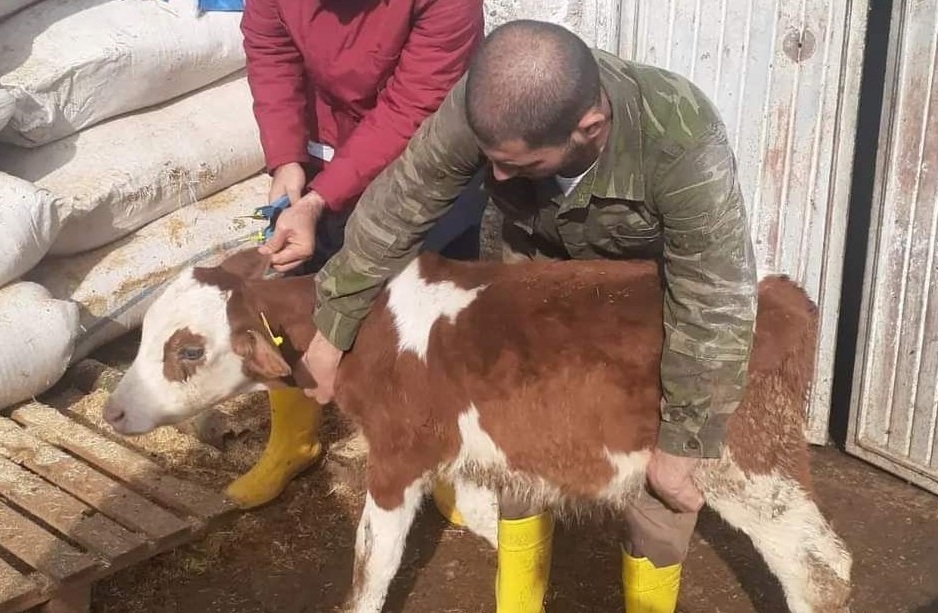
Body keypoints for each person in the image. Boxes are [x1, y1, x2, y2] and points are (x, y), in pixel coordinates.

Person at [298, 19, 758, 613]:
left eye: (520, 165)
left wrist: (686, 438)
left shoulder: (680, 136)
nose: (497, 177)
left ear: (589, 129)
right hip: (532, 268)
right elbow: (399, 204)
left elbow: (715, 293)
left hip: (641, 302)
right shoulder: (486, 105)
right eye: (491, 160)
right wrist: (332, 326)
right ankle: (519, 600)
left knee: (661, 472)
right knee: (515, 430)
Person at [229, 0, 487, 511]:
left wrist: (321, 198)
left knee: (428, 310)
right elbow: (271, 52)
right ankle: (293, 441)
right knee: (288, 294)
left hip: (428, 153)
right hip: (324, 142)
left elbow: (411, 107)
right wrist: (285, 159)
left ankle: (443, 450)